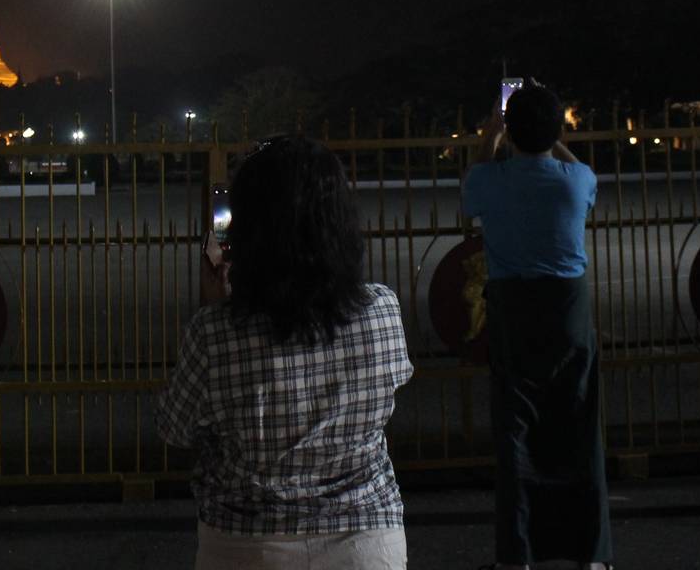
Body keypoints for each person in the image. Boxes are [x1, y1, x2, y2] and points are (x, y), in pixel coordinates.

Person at [156, 135, 413, 569]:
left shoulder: (215, 331)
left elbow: (174, 429)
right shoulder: (382, 311)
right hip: (366, 542)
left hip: (248, 543)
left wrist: (220, 307)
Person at [461, 82, 612, 570]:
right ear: (557, 129)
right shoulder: (576, 179)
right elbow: (571, 166)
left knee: (515, 431)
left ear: (509, 129)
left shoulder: (491, 180)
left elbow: (474, 179)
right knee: (580, 427)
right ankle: (591, 552)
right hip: (569, 308)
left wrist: (492, 132)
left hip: (513, 307)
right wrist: (550, 136)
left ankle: (518, 553)